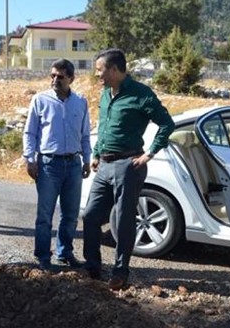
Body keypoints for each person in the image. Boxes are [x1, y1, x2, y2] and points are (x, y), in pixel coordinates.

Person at [82, 48, 175, 290]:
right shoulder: (105, 93)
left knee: (123, 221)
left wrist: (150, 153)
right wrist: (96, 153)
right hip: (104, 165)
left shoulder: (141, 94)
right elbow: (104, 126)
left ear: (114, 70)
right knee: (90, 215)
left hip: (128, 165)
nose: (97, 75)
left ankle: (120, 272)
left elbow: (167, 123)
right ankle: (92, 268)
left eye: (100, 71)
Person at [23, 59, 92, 271]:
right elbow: (30, 132)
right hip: (48, 164)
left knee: (70, 214)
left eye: (60, 77)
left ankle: (65, 253)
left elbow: (85, 135)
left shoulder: (80, 102)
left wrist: (87, 159)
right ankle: (43, 256)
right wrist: (29, 158)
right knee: (45, 215)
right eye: (52, 75)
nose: (55, 80)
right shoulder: (40, 100)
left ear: (71, 78)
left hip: (73, 164)